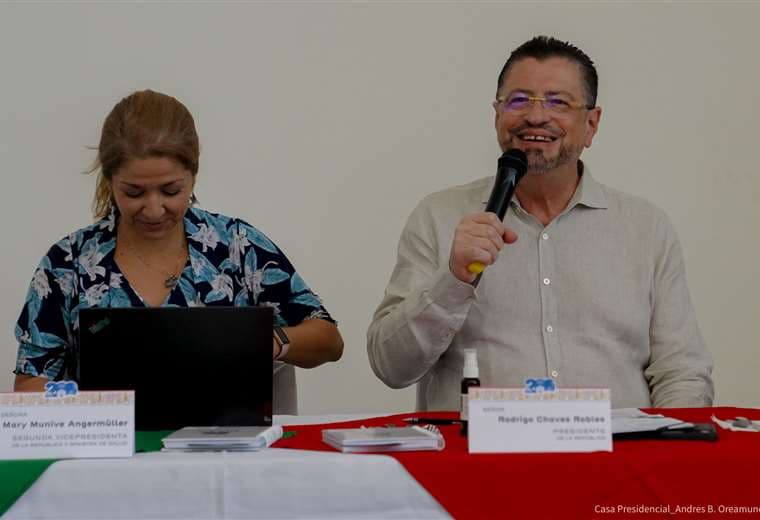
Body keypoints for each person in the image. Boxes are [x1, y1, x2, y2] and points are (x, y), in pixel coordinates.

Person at [367, 36, 713, 410]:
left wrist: (671, 440)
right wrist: (453, 279)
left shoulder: (645, 228)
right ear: (497, 114)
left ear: (592, 123)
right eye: (518, 100)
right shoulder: (439, 216)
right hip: (478, 448)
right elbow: (391, 367)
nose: (535, 116)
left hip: (615, 447)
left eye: (558, 102)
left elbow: (682, 372)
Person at [13, 89, 343, 414]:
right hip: (107, 447)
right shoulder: (68, 263)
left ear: (193, 177)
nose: (154, 209)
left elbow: (328, 339)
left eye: (171, 191)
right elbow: (31, 383)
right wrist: (80, 407)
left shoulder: (236, 246)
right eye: (134, 193)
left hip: (227, 445)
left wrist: (270, 342)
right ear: (110, 181)